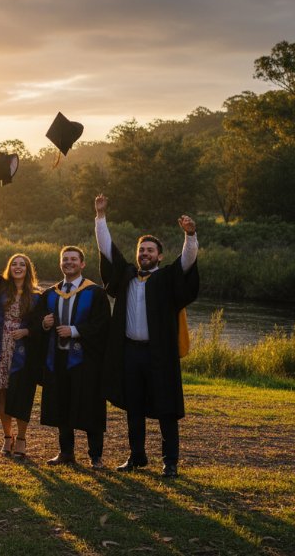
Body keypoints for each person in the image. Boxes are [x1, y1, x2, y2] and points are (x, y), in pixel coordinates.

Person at [94, 194, 199, 477]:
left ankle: (170, 462)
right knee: (134, 407)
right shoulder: (127, 275)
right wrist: (101, 217)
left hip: (159, 353)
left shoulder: (165, 279)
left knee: (166, 408)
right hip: (130, 352)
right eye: (142, 249)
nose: (145, 254)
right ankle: (137, 456)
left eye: (150, 250)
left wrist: (190, 235)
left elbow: (187, 263)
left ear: (159, 255)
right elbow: (107, 250)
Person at [0, 214, 41, 460]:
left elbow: (42, 325)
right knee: (1, 392)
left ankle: (22, 438)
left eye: (22, 264)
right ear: (10, 268)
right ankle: (7, 436)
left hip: (24, 350)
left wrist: (28, 331)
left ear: (28, 269)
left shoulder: (38, 297)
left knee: (21, 394)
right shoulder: (1, 288)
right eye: (14, 264)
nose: (18, 267)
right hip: (0, 348)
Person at [37, 246, 110, 469]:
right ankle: (66, 452)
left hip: (86, 360)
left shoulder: (95, 292)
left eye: (73, 259)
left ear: (82, 264)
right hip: (58, 358)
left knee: (90, 405)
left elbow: (103, 324)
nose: (68, 262)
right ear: (61, 263)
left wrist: (75, 330)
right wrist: (44, 323)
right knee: (62, 404)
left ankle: (95, 456)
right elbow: (37, 320)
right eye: (65, 259)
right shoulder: (50, 293)